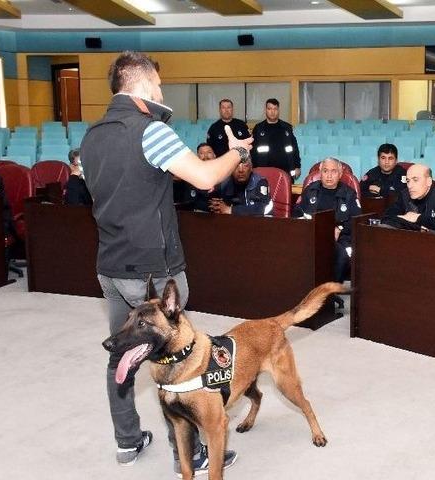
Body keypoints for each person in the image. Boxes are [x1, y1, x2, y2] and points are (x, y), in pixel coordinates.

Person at [80, 51, 249, 474]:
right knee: (173, 359)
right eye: (157, 84)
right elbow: (207, 178)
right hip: (152, 272)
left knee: (122, 353)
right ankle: (186, 456)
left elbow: (128, 183)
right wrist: (237, 153)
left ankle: (127, 441)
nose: (161, 91)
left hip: (110, 264)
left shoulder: (93, 134)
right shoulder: (151, 129)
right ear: (140, 85)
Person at [292, 157, 360, 285]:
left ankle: (329, 293)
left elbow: (356, 220)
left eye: (333, 171)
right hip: (312, 236)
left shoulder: (349, 194)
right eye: (325, 171)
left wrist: (340, 229)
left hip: (340, 240)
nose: (329, 175)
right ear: (320, 172)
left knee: (340, 255)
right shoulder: (310, 190)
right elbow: (297, 214)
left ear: (340, 174)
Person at [381, 163, 435, 235]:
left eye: (415, 180)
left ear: (428, 181)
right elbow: (387, 217)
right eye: (408, 181)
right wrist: (411, 222)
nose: (410, 185)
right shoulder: (405, 194)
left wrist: (417, 218)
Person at [250, 98, 301, 180]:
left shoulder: (287, 127)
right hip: (263, 173)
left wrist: (297, 166)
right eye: (269, 109)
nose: (272, 112)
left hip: (285, 172)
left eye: (275, 109)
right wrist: (253, 169)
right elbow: (252, 151)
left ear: (278, 110)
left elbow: (294, 148)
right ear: (265, 110)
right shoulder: (258, 128)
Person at [207, 156, 272, 216]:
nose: (241, 170)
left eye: (245, 165)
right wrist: (216, 206)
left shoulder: (260, 181)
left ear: (251, 168)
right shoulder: (224, 183)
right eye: (236, 165)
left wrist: (229, 210)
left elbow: (262, 208)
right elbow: (208, 201)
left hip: (263, 221)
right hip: (235, 221)